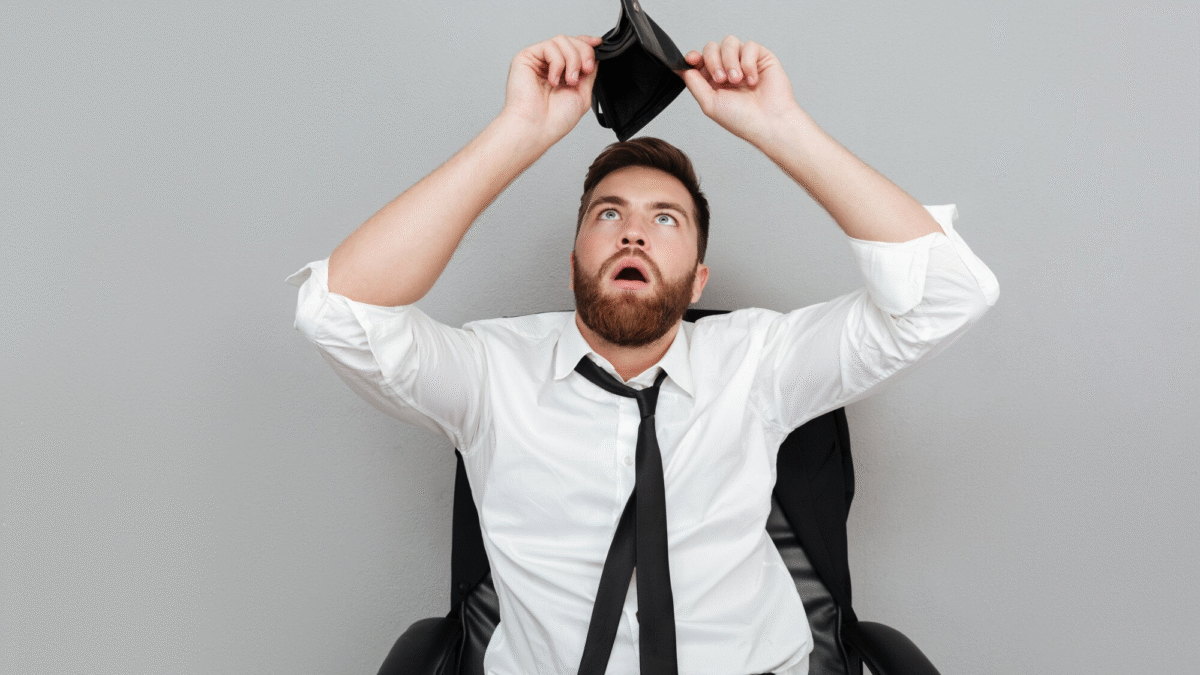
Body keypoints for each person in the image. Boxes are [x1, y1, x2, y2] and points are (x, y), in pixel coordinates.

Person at [288, 33, 998, 675]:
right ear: (573, 265)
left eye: (666, 220)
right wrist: (519, 133)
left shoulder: (762, 361)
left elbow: (948, 295)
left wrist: (782, 128)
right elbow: (340, 313)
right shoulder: (488, 374)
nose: (634, 235)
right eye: (609, 214)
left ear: (698, 279)